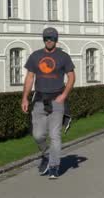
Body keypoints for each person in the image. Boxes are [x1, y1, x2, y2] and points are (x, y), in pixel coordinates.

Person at [21, 27, 75, 180]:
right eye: (46, 38)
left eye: (51, 38)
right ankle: (46, 155)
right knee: (38, 135)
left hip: (57, 100)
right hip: (39, 100)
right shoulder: (35, 56)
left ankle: (53, 166)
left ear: (56, 40)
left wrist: (64, 95)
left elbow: (71, 77)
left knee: (55, 135)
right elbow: (29, 78)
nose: (49, 41)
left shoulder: (63, 57)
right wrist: (24, 98)